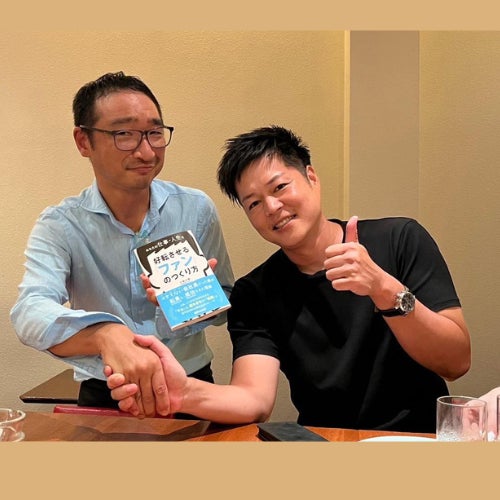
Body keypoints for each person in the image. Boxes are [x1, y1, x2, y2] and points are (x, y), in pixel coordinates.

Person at [107, 125, 471, 432]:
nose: (272, 208)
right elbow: (254, 399)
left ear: (311, 177)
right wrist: (182, 393)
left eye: (280, 187)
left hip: (421, 438)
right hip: (325, 445)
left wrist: (383, 289)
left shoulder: (400, 239)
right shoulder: (255, 293)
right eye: (253, 203)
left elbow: (455, 362)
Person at [10, 71, 234, 418]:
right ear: (84, 141)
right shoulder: (61, 225)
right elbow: (29, 312)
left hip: (192, 383)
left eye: (155, 133)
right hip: (107, 389)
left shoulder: (195, 209)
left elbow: (226, 300)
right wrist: (105, 334)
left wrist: (193, 303)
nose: (146, 151)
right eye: (124, 134)